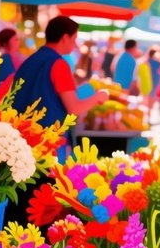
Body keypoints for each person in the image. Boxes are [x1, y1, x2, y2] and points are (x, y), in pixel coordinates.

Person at [13, 16, 109, 153]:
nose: (75, 44)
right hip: (47, 142)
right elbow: (74, 108)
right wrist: (98, 97)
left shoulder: (30, 61)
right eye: (74, 39)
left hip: (20, 138)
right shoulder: (59, 64)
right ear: (65, 38)